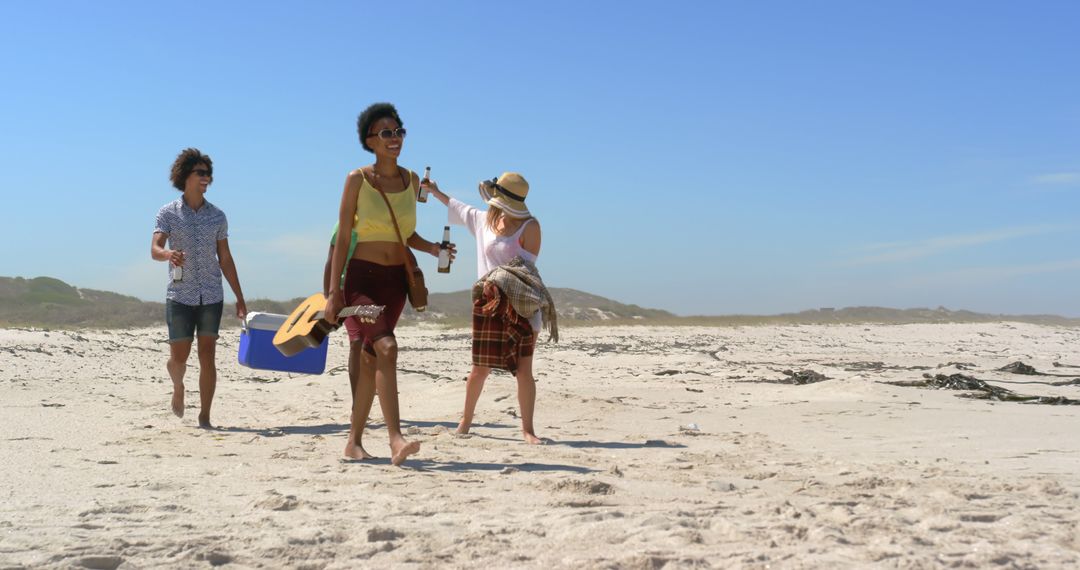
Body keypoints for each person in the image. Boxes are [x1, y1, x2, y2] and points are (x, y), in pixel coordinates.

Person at [325, 102, 454, 465]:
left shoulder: (412, 181)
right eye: (386, 133)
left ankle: (353, 442)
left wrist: (433, 248)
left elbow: (405, 233)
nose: (395, 138)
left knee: (370, 359)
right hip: (361, 279)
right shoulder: (357, 180)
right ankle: (396, 439)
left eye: (399, 131)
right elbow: (343, 237)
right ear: (370, 141)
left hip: (396, 281)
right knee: (387, 348)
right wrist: (333, 293)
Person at [424, 172, 556, 444]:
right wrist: (435, 191)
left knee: (523, 371)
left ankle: (527, 431)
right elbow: (459, 208)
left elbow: (525, 272)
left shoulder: (530, 227)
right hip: (488, 303)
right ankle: (465, 422)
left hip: (520, 305)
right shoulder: (485, 220)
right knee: (479, 369)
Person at [151, 148, 247, 428]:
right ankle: (178, 386)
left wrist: (240, 297)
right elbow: (155, 249)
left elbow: (225, 258)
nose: (206, 178)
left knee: (208, 355)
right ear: (185, 176)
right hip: (180, 295)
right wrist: (168, 254)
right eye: (200, 173)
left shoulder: (217, 216)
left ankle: (205, 414)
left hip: (211, 294)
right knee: (177, 359)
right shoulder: (167, 212)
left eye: (208, 174)